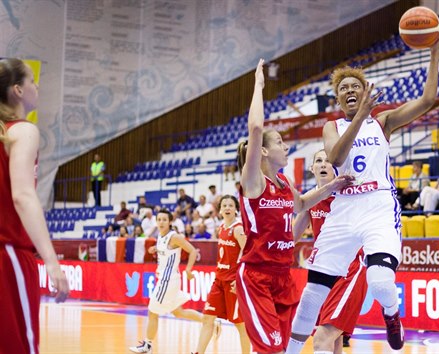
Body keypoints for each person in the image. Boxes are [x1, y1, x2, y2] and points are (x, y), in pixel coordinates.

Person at [287, 34, 439, 354]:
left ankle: (391, 314)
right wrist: (358, 118)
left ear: (366, 90)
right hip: (343, 208)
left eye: (356, 85)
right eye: (343, 88)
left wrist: (434, 49)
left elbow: (427, 100)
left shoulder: (383, 121)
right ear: (338, 99)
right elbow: (337, 159)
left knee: (381, 281)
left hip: (377, 204)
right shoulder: (332, 127)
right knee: (311, 296)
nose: (350, 90)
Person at [235, 59, 352, 354]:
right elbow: (256, 127)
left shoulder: (285, 184)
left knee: (284, 347)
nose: (286, 147)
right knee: (271, 348)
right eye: (280, 143)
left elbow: (300, 204)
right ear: (263, 150)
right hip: (257, 275)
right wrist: (259, 85)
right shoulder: (254, 181)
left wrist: (332, 187)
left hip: (283, 276)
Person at [0, 58, 69, 354]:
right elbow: (23, 196)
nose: (37, 86)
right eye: (31, 81)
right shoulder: (23, 131)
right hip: (9, 254)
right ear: (17, 90)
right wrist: (51, 261)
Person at [292, 149, 368, 353]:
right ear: (312, 168)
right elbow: (290, 239)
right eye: (319, 161)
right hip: (324, 271)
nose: (324, 164)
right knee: (333, 340)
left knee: (322, 338)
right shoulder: (309, 199)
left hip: (350, 269)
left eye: (328, 161)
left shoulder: (348, 196)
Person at [129, 209, 203, 353]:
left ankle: (147, 346)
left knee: (152, 312)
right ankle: (210, 321)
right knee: (179, 313)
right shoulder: (161, 237)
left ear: (170, 222)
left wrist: (188, 270)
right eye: (159, 219)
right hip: (166, 280)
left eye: (164, 220)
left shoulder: (174, 237)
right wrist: (155, 249)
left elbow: (193, 251)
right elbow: (166, 249)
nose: (161, 222)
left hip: (168, 280)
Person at [194, 195, 250, 354]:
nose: (227, 208)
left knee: (240, 324)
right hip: (218, 280)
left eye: (230, 205)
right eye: (224, 205)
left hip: (233, 283)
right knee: (207, 318)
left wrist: (240, 279)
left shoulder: (238, 229)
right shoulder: (222, 228)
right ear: (219, 210)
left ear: (236, 209)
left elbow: (249, 255)